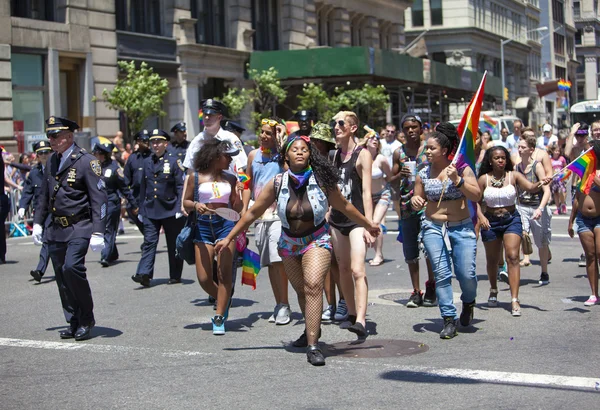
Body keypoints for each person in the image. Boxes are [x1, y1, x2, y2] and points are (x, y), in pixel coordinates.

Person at [215, 135, 380, 366]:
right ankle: (312, 329)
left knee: (313, 285)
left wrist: (367, 224)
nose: (300, 152)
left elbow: (345, 205)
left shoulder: (322, 180)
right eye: (295, 150)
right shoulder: (277, 182)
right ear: (286, 156)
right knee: (302, 292)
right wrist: (229, 237)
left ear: (310, 154)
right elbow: (252, 213)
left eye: (305, 149)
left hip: (317, 239)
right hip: (288, 243)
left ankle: (313, 346)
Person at [32, 116, 107, 341]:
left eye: (55, 136)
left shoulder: (86, 161)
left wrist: (98, 231)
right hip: (57, 229)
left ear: (69, 136)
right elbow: (43, 196)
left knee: (72, 268)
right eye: (49, 136)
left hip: (80, 226)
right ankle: (73, 320)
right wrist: (37, 222)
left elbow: (99, 198)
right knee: (62, 277)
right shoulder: (52, 162)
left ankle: (86, 318)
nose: (51, 140)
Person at [411, 124, 481, 339]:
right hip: (433, 227)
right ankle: (448, 319)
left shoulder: (461, 168)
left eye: (431, 148)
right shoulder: (423, 173)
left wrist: (458, 181)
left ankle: (468, 302)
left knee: (466, 274)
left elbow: (477, 195)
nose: (427, 152)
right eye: (426, 149)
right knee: (441, 274)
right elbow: (417, 198)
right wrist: (415, 201)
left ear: (443, 150)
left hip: (461, 227)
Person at [477, 146, 550, 316]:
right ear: (490, 161)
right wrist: (481, 217)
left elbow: (531, 188)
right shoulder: (483, 179)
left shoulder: (514, 176)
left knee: (513, 257)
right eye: (497, 158)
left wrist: (542, 182)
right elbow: (475, 201)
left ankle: (514, 299)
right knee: (493, 260)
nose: (501, 160)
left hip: (511, 220)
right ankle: (494, 289)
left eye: (503, 157)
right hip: (491, 222)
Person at [182, 139, 243, 334]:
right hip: (202, 226)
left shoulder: (232, 179)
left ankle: (218, 317)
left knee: (224, 273)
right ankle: (223, 299)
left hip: (225, 226)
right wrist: (195, 205)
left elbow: (237, 209)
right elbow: (186, 202)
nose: (230, 160)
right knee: (204, 277)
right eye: (228, 156)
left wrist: (240, 195)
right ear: (216, 156)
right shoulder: (196, 177)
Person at [329, 111, 375, 335]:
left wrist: (370, 224)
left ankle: (361, 320)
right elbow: (332, 190)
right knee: (344, 269)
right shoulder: (334, 155)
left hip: (357, 221)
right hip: (337, 221)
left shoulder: (362, 154)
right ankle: (350, 312)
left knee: (358, 270)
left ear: (353, 127)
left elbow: (367, 192)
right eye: (334, 123)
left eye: (340, 123)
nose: (336, 127)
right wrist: (328, 212)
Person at [243, 118, 292, 325]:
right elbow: (247, 184)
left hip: (278, 216)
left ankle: (285, 305)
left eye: (269, 133)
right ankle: (279, 303)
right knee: (269, 264)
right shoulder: (253, 155)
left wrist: (282, 139)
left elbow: (290, 169)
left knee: (277, 260)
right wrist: (244, 212)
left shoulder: (283, 157)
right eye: (262, 132)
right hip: (260, 217)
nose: (264, 136)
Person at [390, 114, 436, 308]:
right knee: (410, 251)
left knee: (430, 249)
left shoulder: (430, 149)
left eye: (414, 127)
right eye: (407, 127)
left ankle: (432, 287)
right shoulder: (398, 153)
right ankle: (416, 291)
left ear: (421, 128)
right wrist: (399, 174)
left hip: (428, 205)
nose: (411, 130)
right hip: (407, 206)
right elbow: (390, 180)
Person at [132, 129, 185, 287]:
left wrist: (179, 208)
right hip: (151, 209)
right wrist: (141, 209)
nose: (155, 145)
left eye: (158, 142)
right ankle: (144, 273)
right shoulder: (147, 161)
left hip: (170, 208)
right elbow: (143, 187)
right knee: (149, 241)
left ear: (165, 144)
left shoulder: (174, 161)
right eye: (153, 142)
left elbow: (180, 186)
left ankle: (175, 275)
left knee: (173, 243)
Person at [309, 123, 343, 321]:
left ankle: (344, 301)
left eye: (320, 141)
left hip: (334, 215)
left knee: (337, 263)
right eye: (314, 141)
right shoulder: (308, 161)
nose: (316, 145)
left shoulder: (333, 160)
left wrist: (331, 209)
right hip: (316, 218)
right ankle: (330, 304)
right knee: (325, 266)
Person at [92, 142, 137, 267]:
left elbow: (124, 188)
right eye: (95, 153)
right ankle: (112, 253)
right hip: (97, 203)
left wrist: (133, 204)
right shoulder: (94, 167)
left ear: (105, 155)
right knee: (103, 229)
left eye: (99, 153)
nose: (96, 155)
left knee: (108, 229)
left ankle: (105, 256)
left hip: (111, 202)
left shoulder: (114, 168)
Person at [515, 136, 552, 284]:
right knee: (518, 236)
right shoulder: (517, 167)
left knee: (541, 242)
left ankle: (544, 272)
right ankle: (512, 269)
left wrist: (540, 209)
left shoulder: (537, 166)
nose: (519, 149)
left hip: (537, 207)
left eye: (523, 147)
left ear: (531, 150)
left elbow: (547, 191)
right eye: (519, 147)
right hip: (522, 207)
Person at [568, 142, 600, 306]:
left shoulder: (594, 174)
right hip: (583, 219)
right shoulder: (585, 174)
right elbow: (577, 198)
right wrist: (571, 220)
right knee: (590, 255)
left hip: (599, 218)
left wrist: (595, 178)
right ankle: (594, 293)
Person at [18, 140, 53, 281]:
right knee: (50, 241)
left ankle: (40, 269)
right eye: (41, 153)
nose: (44, 155)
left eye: (46, 152)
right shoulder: (33, 173)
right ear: (37, 156)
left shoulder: (57, 169)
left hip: (54, 211)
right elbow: (27, 192)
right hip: (39, 212)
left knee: (47, 239)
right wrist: (22, 206)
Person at [362, 131, 392, 266]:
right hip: (367, 196)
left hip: (382, 194)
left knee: (376, 222)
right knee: (366, 223)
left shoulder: (381, 159)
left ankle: (378, 254)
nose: (375, 140)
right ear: (366, 141)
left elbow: (390, 176)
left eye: (377, 138)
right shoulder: (361, 157)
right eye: (371, 137)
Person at [123, 130, 151, 236]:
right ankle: (148, 239)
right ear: (138, 141)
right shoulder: (132, 158)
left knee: (150, 227)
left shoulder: (153, 156)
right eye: (144, 140)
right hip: (136, 196)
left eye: (148, 140)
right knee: (141, 224)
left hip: (150, 196)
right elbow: (126, 179)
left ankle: (148, 243)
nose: (147, 142)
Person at [548, 143, 567, 215]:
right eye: (556, 151)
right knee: (555, 193)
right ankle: (558, 208)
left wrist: (565, 173)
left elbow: (565, 167)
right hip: (554, 179)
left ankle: (563, 204)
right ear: (552, 151)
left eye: (558, 151)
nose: (557, 152)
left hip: (561, 178)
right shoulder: (550, 160)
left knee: (561, 191)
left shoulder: (562, 159)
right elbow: (549, 169)